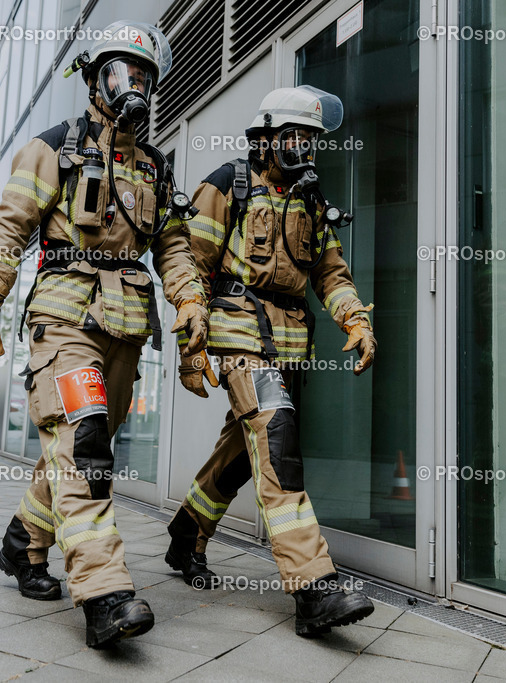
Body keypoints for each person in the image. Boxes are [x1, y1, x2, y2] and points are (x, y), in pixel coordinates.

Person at [0, 21, 209, 648]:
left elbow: (174, 245)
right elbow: (8, 227)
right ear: (94, 80)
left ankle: (22, 546)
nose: (133, 86)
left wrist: (189, 302)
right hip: (64, 317)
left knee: (72, 449)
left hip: (126, 327)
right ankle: (104, 593)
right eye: (119, 72)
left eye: (143, 76)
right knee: (86, 445)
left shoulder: (154, 167)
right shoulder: (54, 147)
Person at [165, 85, 378, 637]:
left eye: (310, 140)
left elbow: (331, 273)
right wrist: (191, 349)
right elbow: (193, 263)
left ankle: (186, 534)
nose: (302, 149)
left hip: (291, 344)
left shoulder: (309, 199)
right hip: (238, 332)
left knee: (243, 453)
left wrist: (356, 319)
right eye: (292, 137)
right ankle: (314, 588)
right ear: (263, 138)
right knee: (278, 445)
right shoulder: (228, 183)